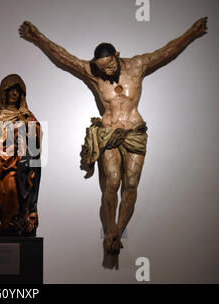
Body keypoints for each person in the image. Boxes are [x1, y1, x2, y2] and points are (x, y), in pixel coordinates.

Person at [19, 17, 207, 268]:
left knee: (130, 183)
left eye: (109, 66)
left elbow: (167, 50)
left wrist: (192, 33)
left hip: (135, 132)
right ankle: (110, 232)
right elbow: (65, 57)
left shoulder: (138, 65)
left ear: (117, 56)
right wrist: (38, 37)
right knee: (113, 180)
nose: (106, 72)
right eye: (102, 68)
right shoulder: (94, 72)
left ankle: (117, 231)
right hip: (108, 134)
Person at [0, 74, 42, 236]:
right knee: (8, 191)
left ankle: (22, 221)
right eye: (10, 90)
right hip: (4, 161)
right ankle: (5, 222)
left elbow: (37, 134)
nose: (14, 94)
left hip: (22, 162)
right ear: (4, 92)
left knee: (22, 191)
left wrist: (28, 127)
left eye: (17, 91)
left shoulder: (27, 115)